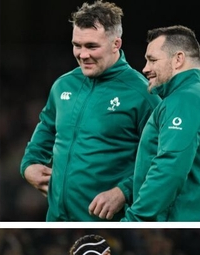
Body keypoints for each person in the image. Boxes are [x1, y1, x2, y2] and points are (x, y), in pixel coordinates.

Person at [20, 1, 160, 222]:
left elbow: (162, 158)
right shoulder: (63, 85)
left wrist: (124, 192)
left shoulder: (143, 94)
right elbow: (47, 127)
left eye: (92, 46)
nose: (83, 54)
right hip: (56, 219)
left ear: (116, 44)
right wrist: (29, 164)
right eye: (77, 45)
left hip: (107, 222)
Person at [122, 25, 200, 221]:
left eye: (152, 60)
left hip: (183, 218)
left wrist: (135, 219)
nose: (145, 68)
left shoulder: (185, 101)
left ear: (178, 59)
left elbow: (169, 170)